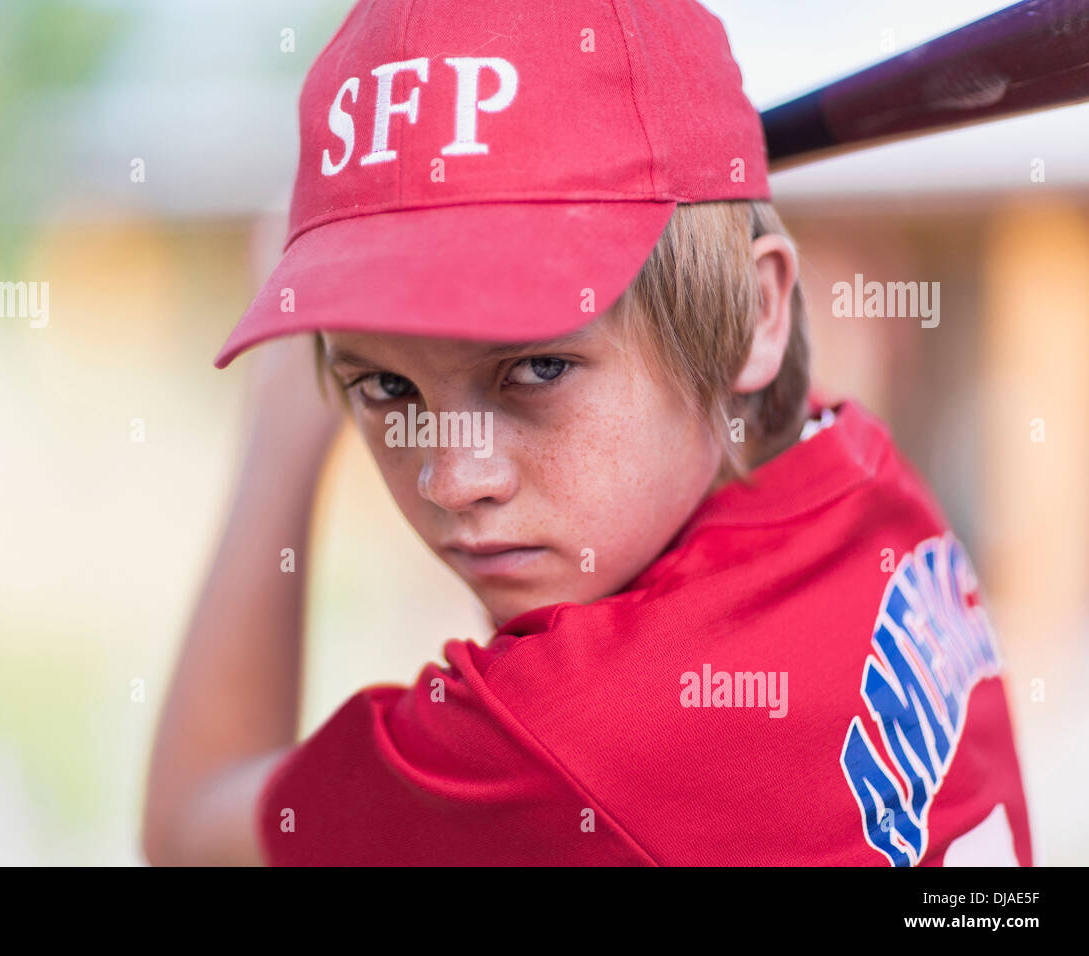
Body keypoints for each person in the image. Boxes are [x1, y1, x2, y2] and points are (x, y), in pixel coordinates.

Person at [141, 0, 1033, 866]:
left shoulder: (546, 743)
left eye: (536, 369)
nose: (453, 481)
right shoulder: (857, 472)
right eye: (383, 384)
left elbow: (187, 825)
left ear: (756, 317)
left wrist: (281, 426)